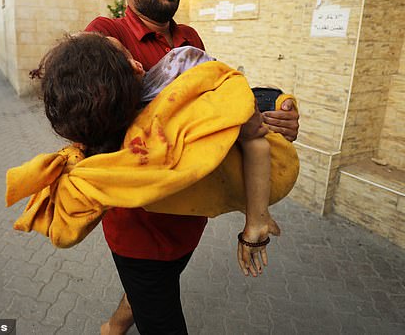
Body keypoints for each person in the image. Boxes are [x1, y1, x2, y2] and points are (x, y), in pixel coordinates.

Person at [81, 0, 299, 335]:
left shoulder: (190, 40)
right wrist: (97, 56)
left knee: (149, 292)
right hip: (139, 235)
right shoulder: (110, 34)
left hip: (188, 223)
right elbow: (84, 57)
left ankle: (112, 328)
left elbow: (215, 107)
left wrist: (271, 115)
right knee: (159, 306)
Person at [38, 32, 283, 275]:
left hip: (180, 220)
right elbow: (230, 89)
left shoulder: (116, 146)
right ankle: (257, 220)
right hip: (240, 173)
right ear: (135, 66)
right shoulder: (178, 65)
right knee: (253, 139)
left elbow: (64, 236)